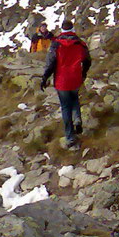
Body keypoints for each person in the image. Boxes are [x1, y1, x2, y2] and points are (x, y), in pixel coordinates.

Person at [40, 20, 92, 148]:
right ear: (73, 29)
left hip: (61, 80)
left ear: (62, 29)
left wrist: (45, 78)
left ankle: (69, 137)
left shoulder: (56, 44)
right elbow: (87, 61)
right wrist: (83, 73)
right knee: (74, 98)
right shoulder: (81, 44)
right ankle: (77, 119)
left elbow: (50, 63)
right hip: (75, 78)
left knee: (65, 107)